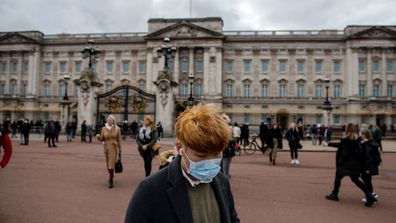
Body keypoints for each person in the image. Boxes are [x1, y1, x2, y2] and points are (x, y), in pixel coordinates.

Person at [125, 104, 240, 223]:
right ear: (180, 147)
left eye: (217, 154)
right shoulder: (149, 190)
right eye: (201, 156)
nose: (209, 162)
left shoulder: (222, 181)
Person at [325, 123, 376, 207]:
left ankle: (334, 194)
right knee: (355, 180)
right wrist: (328, 144)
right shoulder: (357, 139)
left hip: (345, 163)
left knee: (338, 177)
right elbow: (341, 146)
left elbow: (344, 151)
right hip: (355, 163)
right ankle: (369, 195)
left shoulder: (346, 139)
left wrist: (340, 162)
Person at [96, 115, 122, 188]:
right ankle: (111, 174)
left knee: (111, 163)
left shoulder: (117, 129)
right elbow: (102, 138)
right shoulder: (103, 129)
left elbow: (119, 140)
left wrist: (120, 149)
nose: (109, 121)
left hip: (114, 147)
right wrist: (98, 137)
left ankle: (110, 180)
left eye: (111, 120)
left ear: (113, 121)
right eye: (108, 120)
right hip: (106, 148)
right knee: (108, 164)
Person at [360, 128, 382, 203]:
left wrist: (367, 168)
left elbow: (368, 158)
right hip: (367, 166)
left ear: (364, 135)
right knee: (367, 181)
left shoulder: (367, 144)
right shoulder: (370, 143)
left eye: (361, 134)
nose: (360, 135)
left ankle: (370, 196)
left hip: (367, 166)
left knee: (366, 181)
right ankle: (371, 194)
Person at [221, 115, 236, 179]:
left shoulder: (228, 129)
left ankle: (225, 183)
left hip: (227, 150)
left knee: (225, 168)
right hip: (225, 150)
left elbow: (229, 139)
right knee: (224, 167)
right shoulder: (228, 128)